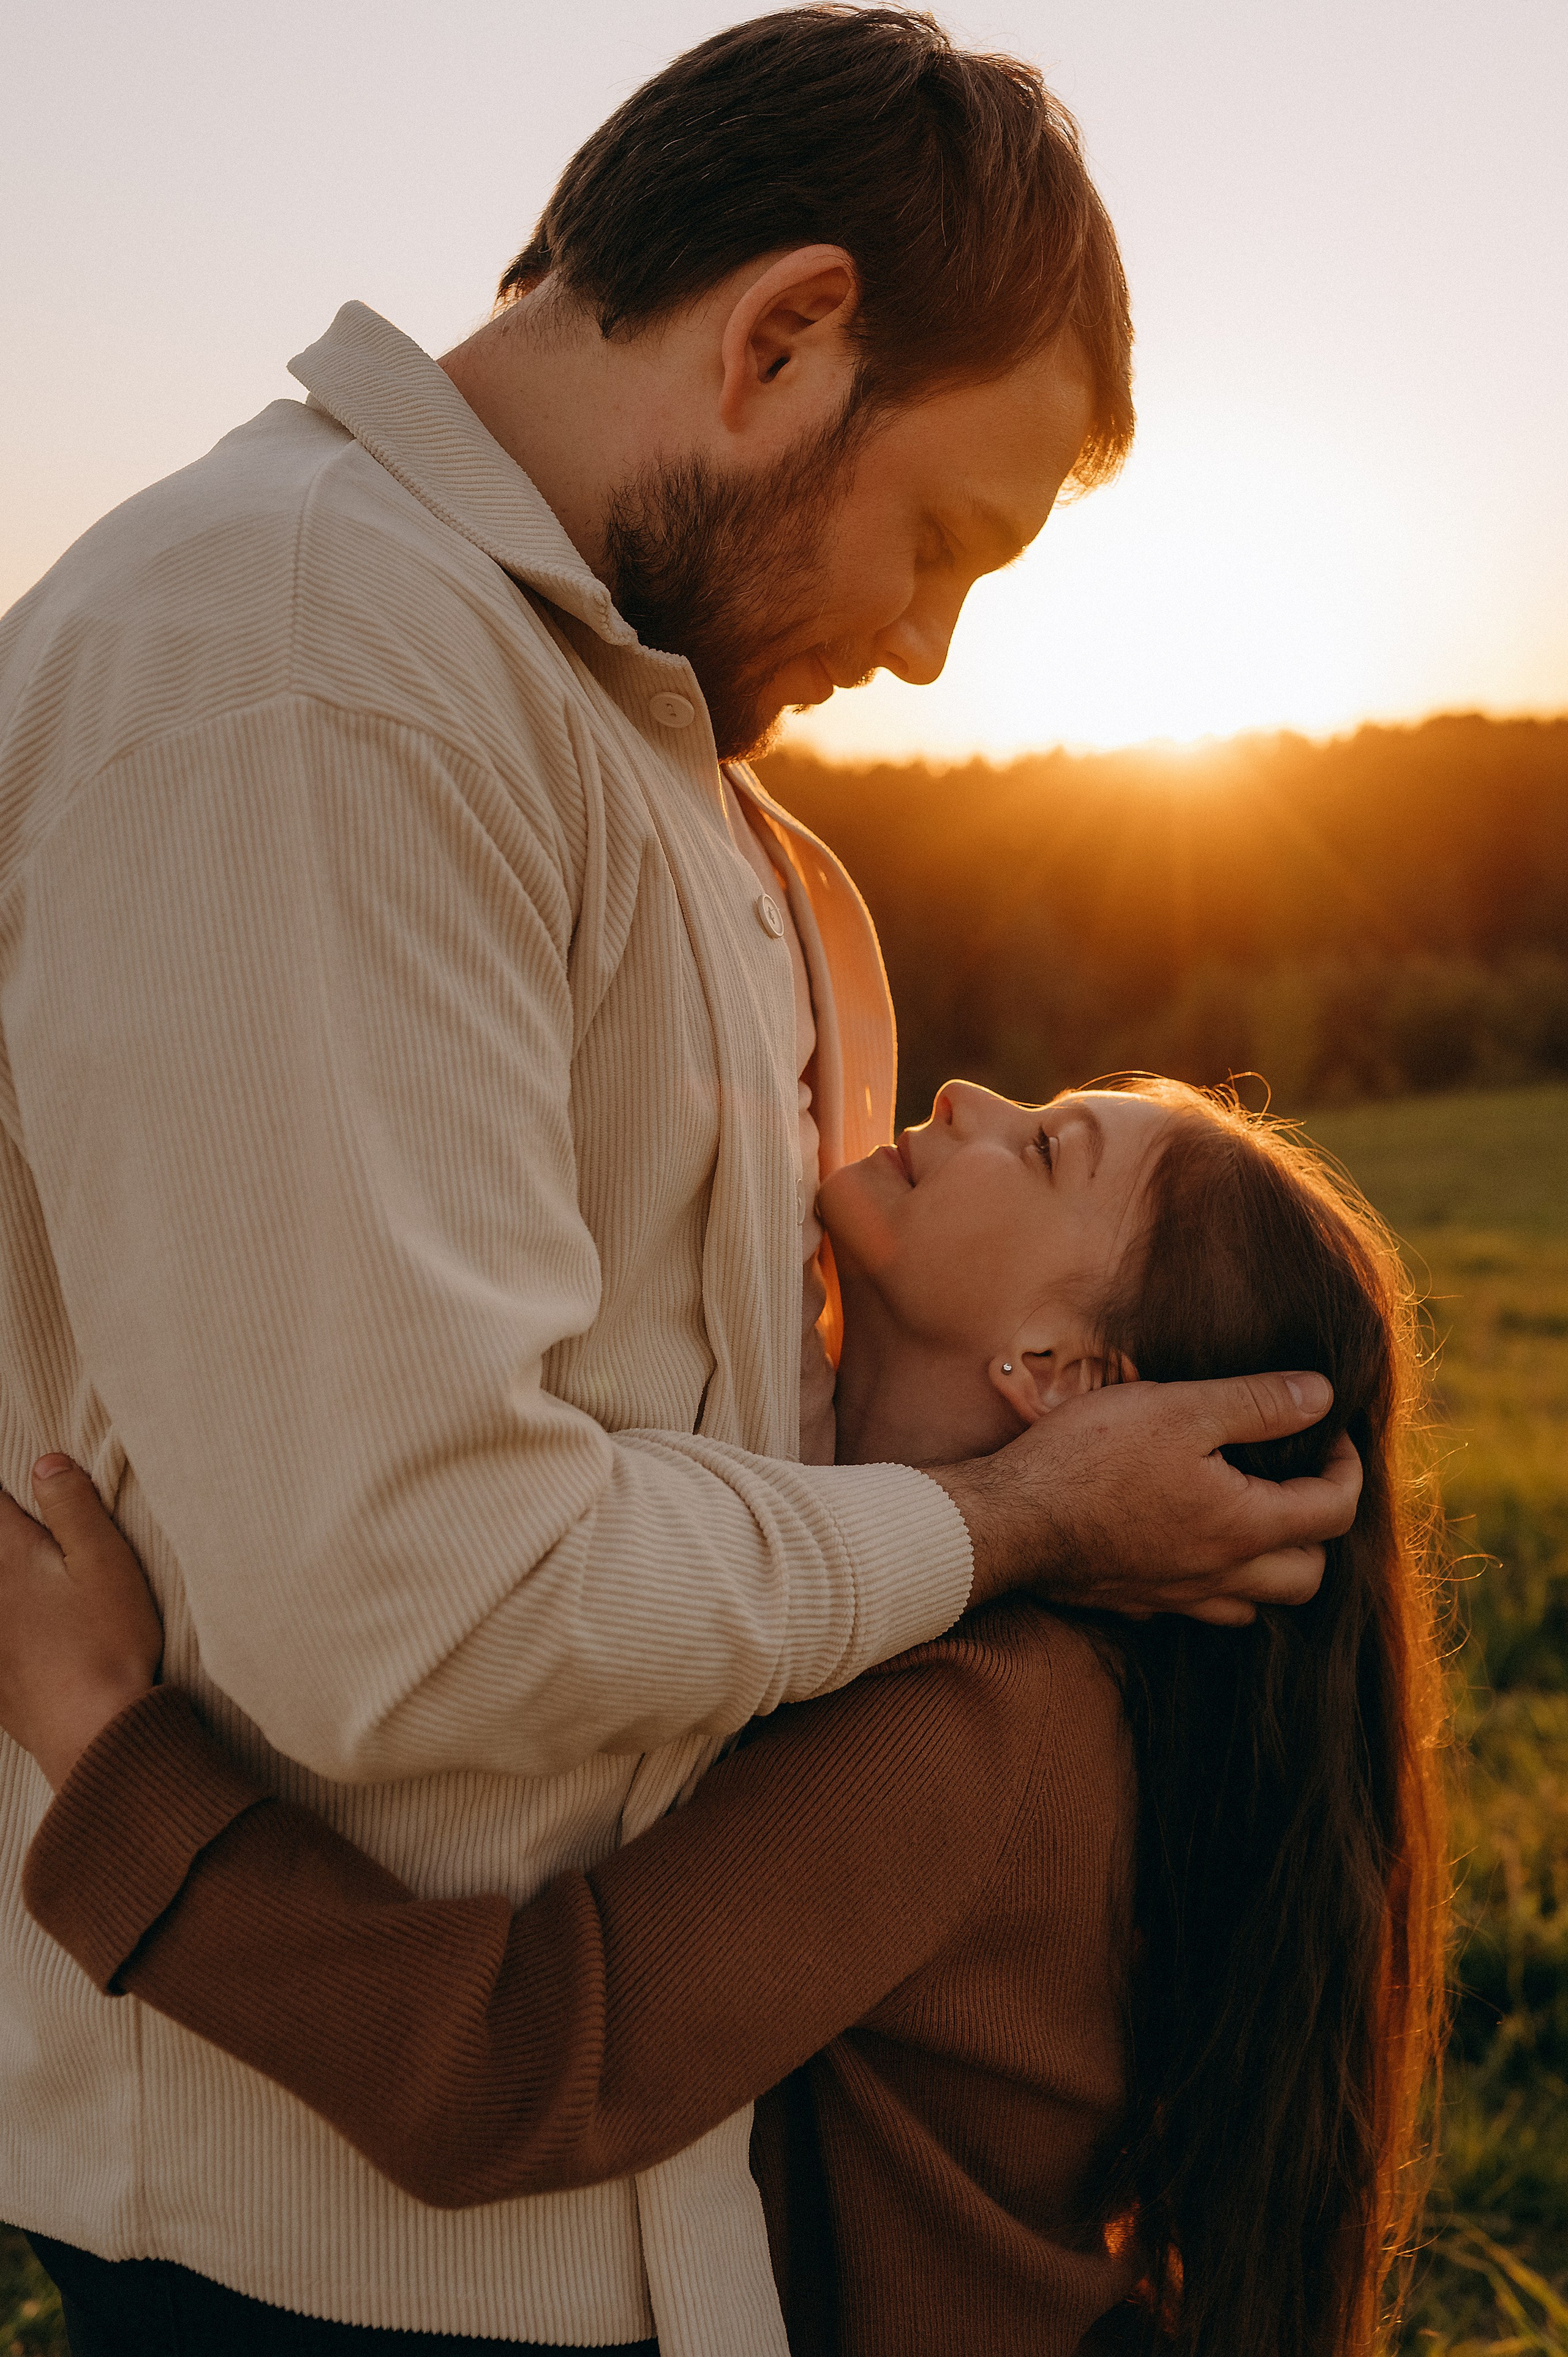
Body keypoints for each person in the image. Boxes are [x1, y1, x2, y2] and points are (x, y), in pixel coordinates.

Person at [0, 9, 1360, 2347]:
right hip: (331, 2235)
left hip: (676, 2194)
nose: (926, 646)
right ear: (785, 336)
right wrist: (1017, 1522)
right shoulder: (315, 665)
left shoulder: (683, 788)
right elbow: (415, 1600)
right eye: (943, 541)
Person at [0, 1079, 1445, 2357]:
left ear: (1061, 1374)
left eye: (1045, 1148)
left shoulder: (977, 1724)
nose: (965, 1097)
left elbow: (517, 2068)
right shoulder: (956, 1641)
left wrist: (97, 1735)